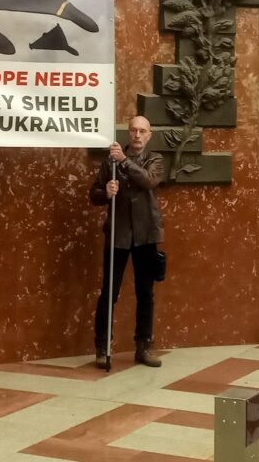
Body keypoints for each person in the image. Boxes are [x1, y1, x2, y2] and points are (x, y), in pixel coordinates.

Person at [91, 115, 164, 368]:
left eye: (142, 131)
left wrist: (124, 161)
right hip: (118, 234)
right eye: (133, 130)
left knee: (145, 293)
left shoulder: (154, 159)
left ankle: (143, 346)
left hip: (145, 235)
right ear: (128, 132)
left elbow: (148, 180)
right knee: (109, 293)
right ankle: (102, 347)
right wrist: (106, 193)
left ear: (149, 135)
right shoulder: (110, 162)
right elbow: (94, 194)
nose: (137, 135)